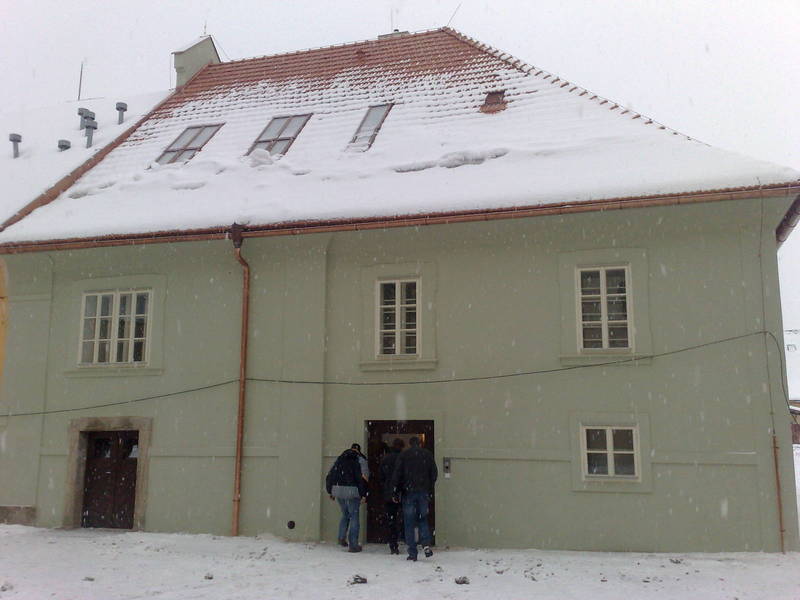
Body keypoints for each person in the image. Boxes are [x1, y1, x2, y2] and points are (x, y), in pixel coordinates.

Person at [390, 436, 437, 561]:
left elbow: (397, 474)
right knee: (423, 518)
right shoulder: (427, 454)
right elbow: (434, 473)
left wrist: (395, 491)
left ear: (409, 444)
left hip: (408, 492)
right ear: (420, 443)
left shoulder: (404, 455)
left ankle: (412, 552)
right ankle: (426, 543)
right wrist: (428, 487)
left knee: (409, 522)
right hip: (423, 491)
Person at [325, 445, 368, 552]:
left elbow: (330, 475)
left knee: (345, 514)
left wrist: (330, 491)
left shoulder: (340, 459)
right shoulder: (360, 459)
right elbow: (364, 478)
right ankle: (353, 545)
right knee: (354, 516)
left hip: (338, 489)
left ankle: (341, 537)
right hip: (352, 491)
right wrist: (364, 494)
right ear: (358, 451)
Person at [379, 438, 405, 554]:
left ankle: (393, 544)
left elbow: (381, 476)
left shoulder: (386, 458)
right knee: (405, 517)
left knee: (391, 519)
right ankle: (405, 538)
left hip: (389, 492)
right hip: (402, 492)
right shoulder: (404, 458)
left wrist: (386, 486)